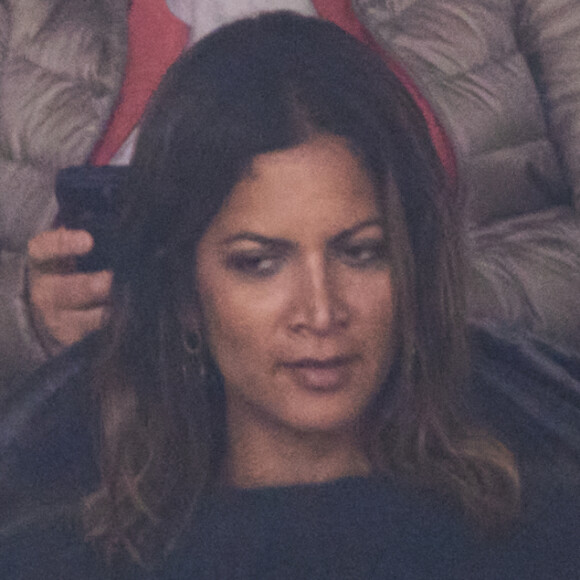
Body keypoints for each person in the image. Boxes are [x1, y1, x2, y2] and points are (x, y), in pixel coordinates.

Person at [2, 13, 579, 579]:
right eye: (258, 263)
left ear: (414, 268)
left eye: (361, 252)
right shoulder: (53, 557)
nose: (320, 311)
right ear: (182, 291)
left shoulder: (546, 532)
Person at [4, 0, 580, 395]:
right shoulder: (27, 19)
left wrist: (426, 301)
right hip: (105, 446)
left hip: (470, 412)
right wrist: (29, 317)